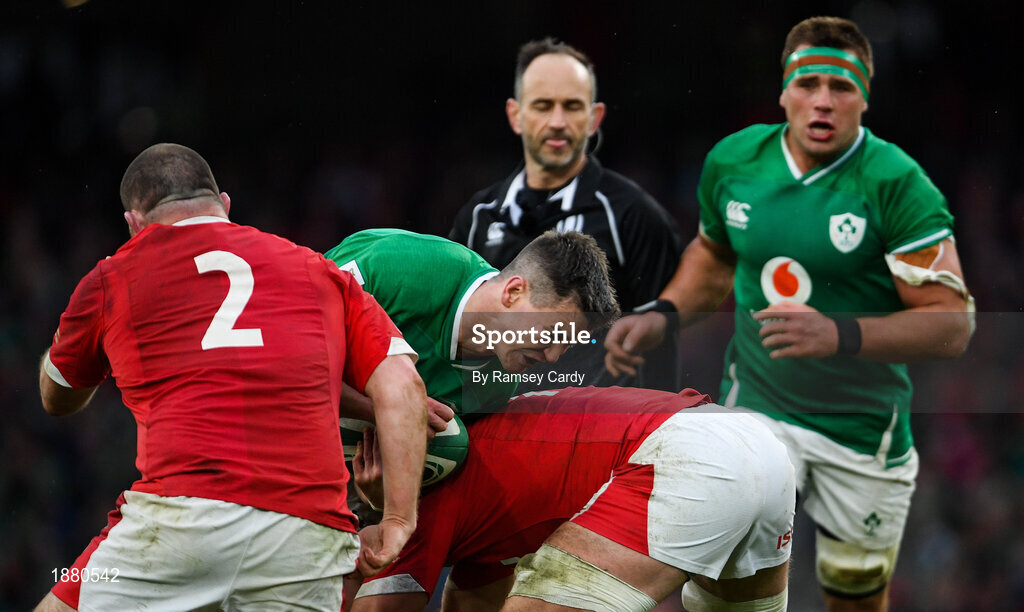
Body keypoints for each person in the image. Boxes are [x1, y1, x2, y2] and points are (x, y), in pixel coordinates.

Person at [605, 17, 974, 611]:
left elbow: (952, 323)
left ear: (864, 98)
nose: (822, 100)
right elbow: (715, 255)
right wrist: (665, 313)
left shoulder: (899, 185)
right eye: (807, 84)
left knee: (854, 597)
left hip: (862, 433)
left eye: (841, 86)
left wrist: (838, 334)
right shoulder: (734, 162)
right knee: (718, 583)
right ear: (784, 92)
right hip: (758, 409)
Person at [35, 144, 428, 612]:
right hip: (306, 538)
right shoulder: (315, 267)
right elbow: (403, 386)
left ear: (134, 223)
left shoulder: (111, 277)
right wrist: (398, 519)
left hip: (177, 526)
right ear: (223, 204)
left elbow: (57, 397)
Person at [348, 386, 795, 612]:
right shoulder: (477, 521)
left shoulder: (410, 506)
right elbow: (475, 602)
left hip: (683, 455)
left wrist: (379, 518)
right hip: (754, 442)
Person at [449, 37, 684, 393]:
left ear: (594, 118)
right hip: (496, 422)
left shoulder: (634, 215)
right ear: (515, 115)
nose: (557, 122)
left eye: (572, 106)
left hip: (600, 424)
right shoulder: (479, 217)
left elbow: (660, 342)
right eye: (543, 105)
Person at [324, 228, 619, 419]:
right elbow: (297, 346)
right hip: (297, 419)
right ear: (513, 291)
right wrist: (384, 410)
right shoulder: (398, 265)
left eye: (567, 344)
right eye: (552, 334)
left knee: (455, 446)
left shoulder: (496, 387)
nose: (552, 357)